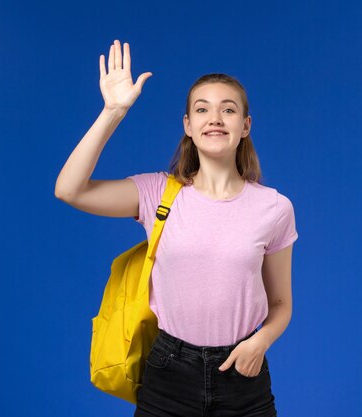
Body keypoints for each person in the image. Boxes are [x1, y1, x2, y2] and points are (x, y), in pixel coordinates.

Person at [54, 39, 298, 417]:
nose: (214, 118)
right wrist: (113, 112)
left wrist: (260, 343)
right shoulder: (157, 193)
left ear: (245, 125)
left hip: (243, 376)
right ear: (188, 125)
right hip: (168, 374)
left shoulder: (275, 207)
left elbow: (281, 304)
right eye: (202, 109)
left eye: (228, 110)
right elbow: (70, 189)